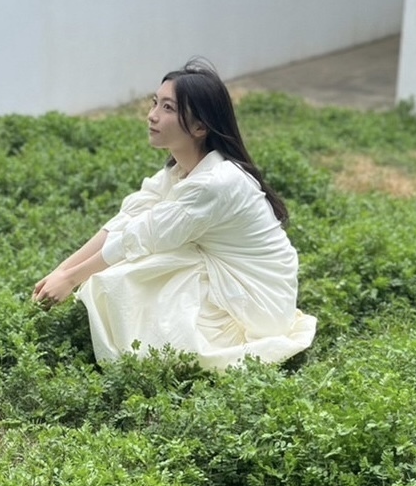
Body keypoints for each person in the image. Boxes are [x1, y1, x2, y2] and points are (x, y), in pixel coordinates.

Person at [32, 60, 316, 369]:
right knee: (144, 254)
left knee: (134, 268)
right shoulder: (181, 170)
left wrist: (72, 279)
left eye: (168, 108)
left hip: (258, 307)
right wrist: (62, 271)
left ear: (199, 127)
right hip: (232, 279)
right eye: (155, 103)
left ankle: (155, 357)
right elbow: (128, 218)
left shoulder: (214, 183)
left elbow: (139, 237)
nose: (152, 115)